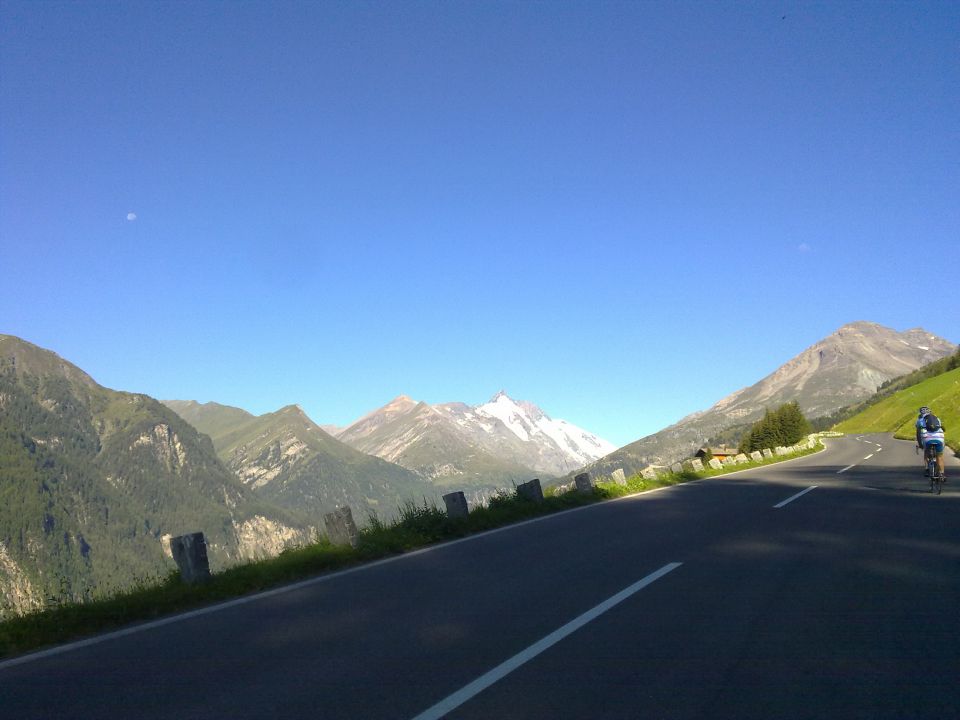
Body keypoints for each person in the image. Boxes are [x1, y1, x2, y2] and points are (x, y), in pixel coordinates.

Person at [916, 406, 947, 480]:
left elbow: (918, 433)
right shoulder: (937, 418)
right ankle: (942, 474)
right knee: (940, 456)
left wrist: (920, 444)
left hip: (927, 439)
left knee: (926, 452)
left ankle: (927, 469)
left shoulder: (920, 420)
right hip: (939, 438)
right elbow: (943, 428)